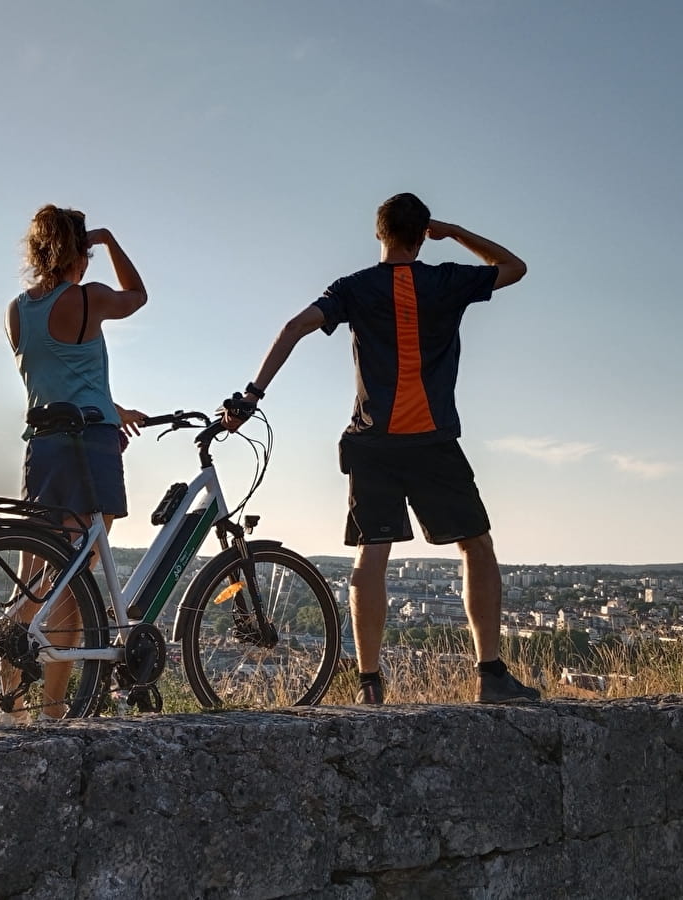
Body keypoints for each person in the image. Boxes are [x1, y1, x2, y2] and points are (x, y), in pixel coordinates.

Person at [224, 192, 539, 705]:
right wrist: (455, 231)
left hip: (371, 442)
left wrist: (252, 395)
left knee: (373, 554)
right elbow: (514, 267)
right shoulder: (446, 280)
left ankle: (369, 685)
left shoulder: (354, 287)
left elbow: (294, 327)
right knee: (475, 546)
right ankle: (490, 674)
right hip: (432, 440)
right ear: (422, 235)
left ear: (379, 233)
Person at [2, 204, 148, 723]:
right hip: (89, 448)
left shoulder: (18, 309)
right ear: (79, 251)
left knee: (37, 572)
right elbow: (138, 297)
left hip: (41, 448)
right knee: (72, 579)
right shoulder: (87, 299)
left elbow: (59, 377)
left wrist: (114, 405)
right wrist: (109, 240)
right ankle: (54, 708)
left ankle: (11, 706)